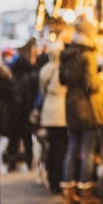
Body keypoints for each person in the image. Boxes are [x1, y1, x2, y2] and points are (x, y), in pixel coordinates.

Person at [59, 18, 103, 204]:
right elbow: (91, 84)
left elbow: (63, 79)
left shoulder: (66, 54)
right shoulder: (88, 55)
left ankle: (68, 193)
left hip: (71, 105)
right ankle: (86, 192)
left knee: (72, 148)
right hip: (87, 107)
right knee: (88, 151)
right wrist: (100, 76)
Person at [4, 39, 39, 172]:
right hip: (25, 113)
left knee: (14, 140)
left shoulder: (12, 79)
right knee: (27, 139)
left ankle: (12, 162)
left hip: (14, 115)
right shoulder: (31, 77)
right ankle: (29, 161)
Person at [38, 40, 68, 193]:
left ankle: (53, 179)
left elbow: (42, 90)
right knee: (63, 147)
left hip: (49, 113)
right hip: (63, 112)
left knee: (53, 148)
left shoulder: (45, 70)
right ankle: (63, 179)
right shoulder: (65, 69)